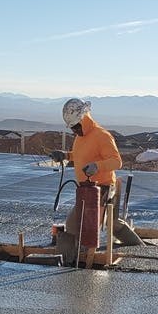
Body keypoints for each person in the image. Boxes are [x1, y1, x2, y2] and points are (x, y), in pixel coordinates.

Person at [49, 98, 122, 244]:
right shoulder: (80, 138)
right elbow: (81, 156)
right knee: (102, 225)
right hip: (87, 189)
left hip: (103, 188)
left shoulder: (102, 136)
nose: (75, 130)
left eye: (76, 126)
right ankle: (82, 251)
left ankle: (80, 254)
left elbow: (117, 161)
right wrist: (65, 155)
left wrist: (97, 166)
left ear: (84, 119)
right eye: (72, 128)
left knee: (79, 226)